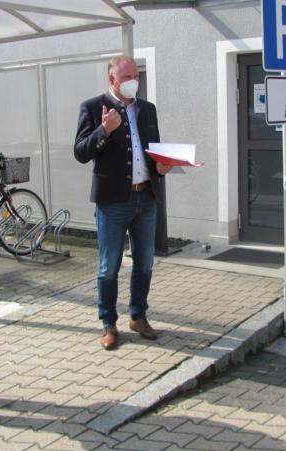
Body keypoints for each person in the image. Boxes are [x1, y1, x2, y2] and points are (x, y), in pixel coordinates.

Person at [74, 55, 173, 350]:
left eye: (136, 76)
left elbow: (153, 150)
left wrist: (162, 167)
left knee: (144, 263)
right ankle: (108, 323)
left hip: (146, 196)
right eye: (127, 76)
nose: (134, 81)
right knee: (109, 267)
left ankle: (138, 316)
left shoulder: (147, 109)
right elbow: (80, 152)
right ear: (111, 79)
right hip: (113, 202)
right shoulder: (92, 107)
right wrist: (104, 130)